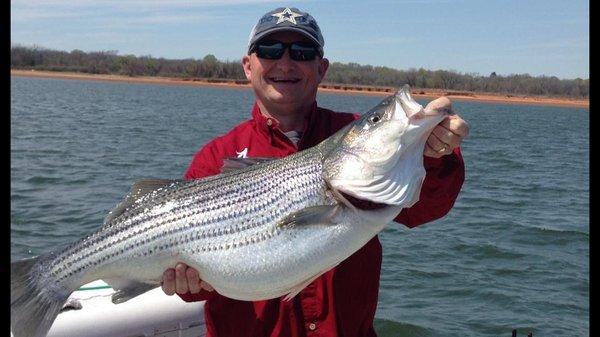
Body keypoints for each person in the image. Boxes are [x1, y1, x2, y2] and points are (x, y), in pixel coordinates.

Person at [161, 7, 469, 337]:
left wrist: (433, 152)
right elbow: (202, 285)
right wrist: (188, 283)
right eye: (270, 50)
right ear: (248, 67)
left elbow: (425, 207)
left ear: (321, 69)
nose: (285, 62)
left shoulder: (349, 133)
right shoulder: (215, 158)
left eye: (303, 52)